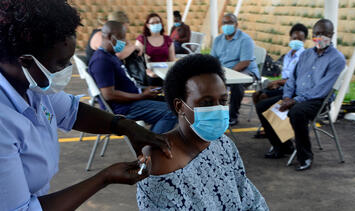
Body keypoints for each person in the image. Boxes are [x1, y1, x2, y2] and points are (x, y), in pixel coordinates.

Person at [0, 1, 173, 210]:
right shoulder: (4, 120)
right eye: (60, 63)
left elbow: (73, 111)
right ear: (26, 61)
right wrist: (104, 178)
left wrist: (126, 127)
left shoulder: (33, 85)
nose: (67, 69)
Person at [136, 54, 269, 210]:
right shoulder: (159, 158)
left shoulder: (223, 144)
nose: (218, 109)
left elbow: (248, 197)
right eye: (206, 102)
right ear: (180, 106)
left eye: (223, 101)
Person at [255, 19, 346, 171]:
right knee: (262, 105)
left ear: (331, 35)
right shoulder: (306, 54)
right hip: (297, 95)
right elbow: (292, 78)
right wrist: (286, 97)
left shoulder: (337, 59)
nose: (319, 37)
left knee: (297, 112)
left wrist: (294, 101)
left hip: (318, 100)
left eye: (324, 34)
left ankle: (305, 156)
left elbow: (322, 89)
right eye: (316, 33)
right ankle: (282, 146)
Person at [88, 21, 177, 134]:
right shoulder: (101, 61)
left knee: (170, 96)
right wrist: (141, 95)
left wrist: (144, 90)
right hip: (124, 107)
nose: (124, 42)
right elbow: (109, 95)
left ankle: (154, 140)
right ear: (110, 36)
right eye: (122, 38)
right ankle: (152, 146)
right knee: (171, 112)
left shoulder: (110, 55)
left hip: (134, 97)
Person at [253, 23, 308, 138]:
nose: (296, 41)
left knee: (264, 97)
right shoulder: (288, 55)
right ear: (290, 38)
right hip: (284, 87)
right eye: (294, 38)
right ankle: (267, 127)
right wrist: (277, 83)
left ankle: (273, 130)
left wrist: (277, 82)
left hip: (292, 90)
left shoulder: (304, 56)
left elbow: (296, 80)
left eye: (300, 39)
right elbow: (285, 77)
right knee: (256, 95)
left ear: (304, 40)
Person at [211, 13, 260, 126]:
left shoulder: (245, 39)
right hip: (225, 71)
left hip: (245, 71)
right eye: (224, 23)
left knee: (237, 84)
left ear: (236, 24)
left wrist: (227, 74)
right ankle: (213, 113)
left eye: (230, 23)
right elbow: (212, 59)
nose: (226, 25)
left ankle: (232, 116)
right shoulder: (218, 40)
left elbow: (244, 62)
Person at [135, 13, 176, 86]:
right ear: (147, 25)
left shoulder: (168, 39)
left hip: (164, 74)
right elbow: (136, 59)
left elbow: (172, 60)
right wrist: (148, 71)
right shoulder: (142, 39)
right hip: (148, 75)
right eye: (152, 23)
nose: (156, 24)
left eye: (158, 22)